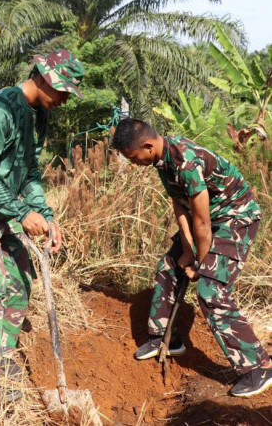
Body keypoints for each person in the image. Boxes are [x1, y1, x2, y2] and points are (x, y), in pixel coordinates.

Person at [0, 49, 85, 400]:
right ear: (41, 78)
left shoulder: (38, 114)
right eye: (62, 90)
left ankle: (2, 354)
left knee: (21, 280)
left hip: (7, 205)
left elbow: (29, 172)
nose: (65, 99)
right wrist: (21, 214)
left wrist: (46, 216)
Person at [112, 118, 272, 398]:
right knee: (168, 266)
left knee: (211, 290)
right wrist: (186, 251)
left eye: (131, 156)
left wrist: (200, 262)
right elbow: (180, 204)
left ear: (147, 146)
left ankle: (259, 367)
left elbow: (202, 223)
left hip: (236, 216)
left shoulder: (187, 162)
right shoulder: (162, 159)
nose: (132, 161)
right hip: (209, 220)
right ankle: (166, 337)